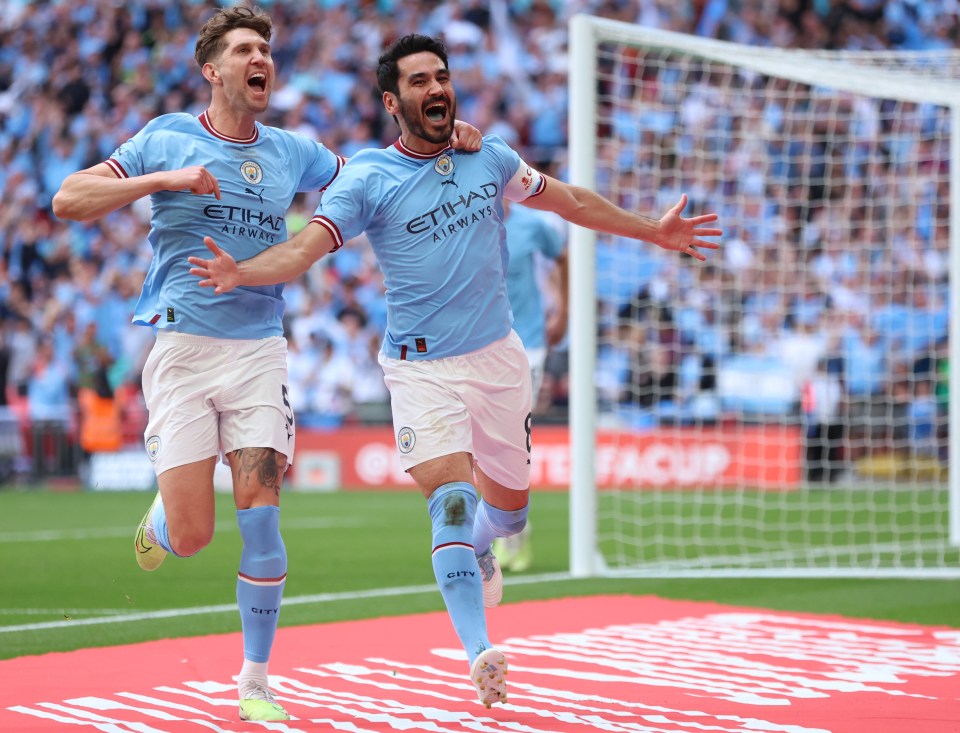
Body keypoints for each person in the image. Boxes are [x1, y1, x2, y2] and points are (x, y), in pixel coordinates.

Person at [188, 33, 721, 709]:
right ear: (392, 101)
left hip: (500, 360)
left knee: (508, 510)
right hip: (420, 370)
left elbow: (568, 202)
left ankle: (484, 547)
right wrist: (242, 272)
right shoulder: (369, 181)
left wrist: (652, 229)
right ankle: (480, 650)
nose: (436, 88)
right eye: (418, 81)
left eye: (442, 77)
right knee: (451, 500)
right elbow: (304, 250)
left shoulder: (489, 155)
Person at [51, 9, 481, 723]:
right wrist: (166, 178)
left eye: (268, 50)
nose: (264, 60)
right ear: (212, 70)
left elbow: (375, 176)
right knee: (193, 535)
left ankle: (255, 679)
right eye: (247, 49)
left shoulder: (291, 151)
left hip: (258, 349)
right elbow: (69, 198)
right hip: (183, 348)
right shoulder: (167, 134)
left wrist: (445, 146)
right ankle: (163, 521)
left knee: (261, 515)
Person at [492, 199, 568, 572]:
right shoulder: (466, 220)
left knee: (509, 441)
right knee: (483, 446)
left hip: (529, 344)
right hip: (481, 344)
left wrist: (563, 311)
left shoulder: (533, 225)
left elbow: (563, 256)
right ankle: (507, 524)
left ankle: (510, 531)